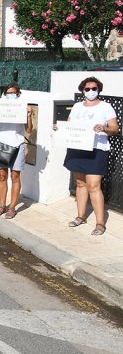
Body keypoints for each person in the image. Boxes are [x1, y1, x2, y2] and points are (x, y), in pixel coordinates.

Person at [58, 77, 119, 236]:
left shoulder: (106, 107)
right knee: (80, 183)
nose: (91, 91)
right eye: (87, 89)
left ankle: (100, 223)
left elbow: (115, 129)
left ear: (99, 89)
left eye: (94, 88)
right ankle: (80, 216)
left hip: (97, 149)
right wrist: (60, 128)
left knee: (94, 185)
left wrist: (104, 128)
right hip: (78, 148)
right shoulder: (77, 106)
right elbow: (70, 125)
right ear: (82, 90)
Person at [0, 83, 33, 219]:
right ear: (4, 94)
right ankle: (2, 205)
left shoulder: (22, 106)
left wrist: (29, 115)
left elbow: (29, 130)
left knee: (15, 177)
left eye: (13, 93)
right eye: (8, 93)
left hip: (18, 145)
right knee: (2, 176)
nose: (10, 95)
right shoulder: (0, 106)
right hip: (2, 144)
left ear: (18, 94)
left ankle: (12, 207)